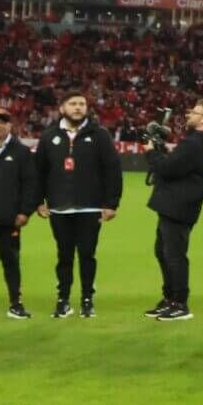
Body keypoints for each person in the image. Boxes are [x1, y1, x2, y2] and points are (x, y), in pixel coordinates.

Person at [31, 92, 121, 319]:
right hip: (59, 207)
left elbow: (112, 170)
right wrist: (37, 201)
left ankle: (87, 300)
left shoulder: (99, 135)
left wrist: (111, 203)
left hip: (90, 207)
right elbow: (39, 172)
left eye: (82, 104)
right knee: (64, 255)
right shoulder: (49, 136)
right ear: (62, 108)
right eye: (73, 104)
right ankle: (63, 300)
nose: (78, 108)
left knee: (87, 255)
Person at [144, 100, 203, 321]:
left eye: (195, 112)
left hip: (177, 205)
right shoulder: (202, 143)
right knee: (163, 251)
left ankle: (179, 302)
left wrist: (151, 152)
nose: (189, 114)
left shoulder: (195, 142)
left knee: (173, 254)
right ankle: (171, 297)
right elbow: (178, 166)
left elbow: (168, 169)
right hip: (179, 204)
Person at [0, 106, 38, 320]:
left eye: (2, 121)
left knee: (11, 263)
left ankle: (16, 304)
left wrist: (25, 212)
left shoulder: (20, 152)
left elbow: (30, 183)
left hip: (9, 220)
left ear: (10, 126)